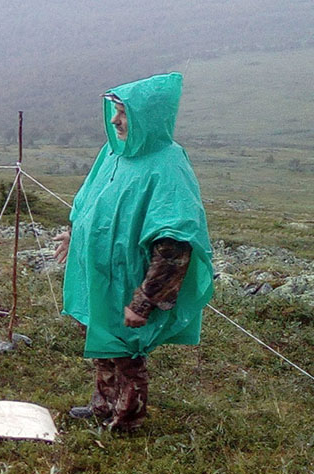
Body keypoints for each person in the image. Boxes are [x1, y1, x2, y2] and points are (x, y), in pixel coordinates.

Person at [54, 72, 213, 431]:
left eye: (123, 112)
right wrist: (73, 236)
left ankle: (127, 419)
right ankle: (103, 403)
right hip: (101, 275)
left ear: (149, 115)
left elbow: (174, 244)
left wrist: (145, 299)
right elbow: (89, 203)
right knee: (102, 338)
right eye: (113, 110)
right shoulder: (113, 153)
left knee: (128, 349)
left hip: (131, 277)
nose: (115, 120)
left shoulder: (168, 165)